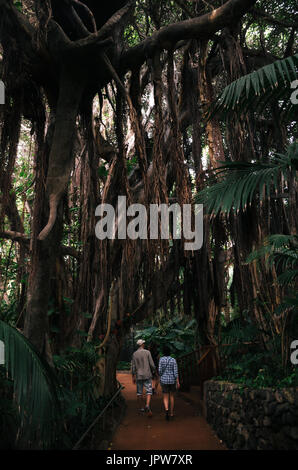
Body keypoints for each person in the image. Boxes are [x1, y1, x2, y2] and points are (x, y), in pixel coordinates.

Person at [131, 339, 156, 417]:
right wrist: (154, 370)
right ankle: (147, 405)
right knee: (149, 391)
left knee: (139, 392)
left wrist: (133, 376)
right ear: (142, 344)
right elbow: (152, 364)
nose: (144, 344)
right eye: (144, 343)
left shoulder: (134, 354)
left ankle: (141, 408)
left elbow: (133, 366)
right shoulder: (147, 352)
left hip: (138, 375)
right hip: (147, 374)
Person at [158, 345, 180, 421]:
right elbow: (175, 371)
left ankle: (166, 410)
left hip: (164, 380)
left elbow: (160, 371)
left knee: (165, 396)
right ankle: (171, 413)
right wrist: (177, 381)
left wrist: (161, 376)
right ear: (170, 352)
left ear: (163, 352)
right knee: (171, 396)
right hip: (172, 380)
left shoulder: (161, 359)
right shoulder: (173, 360)